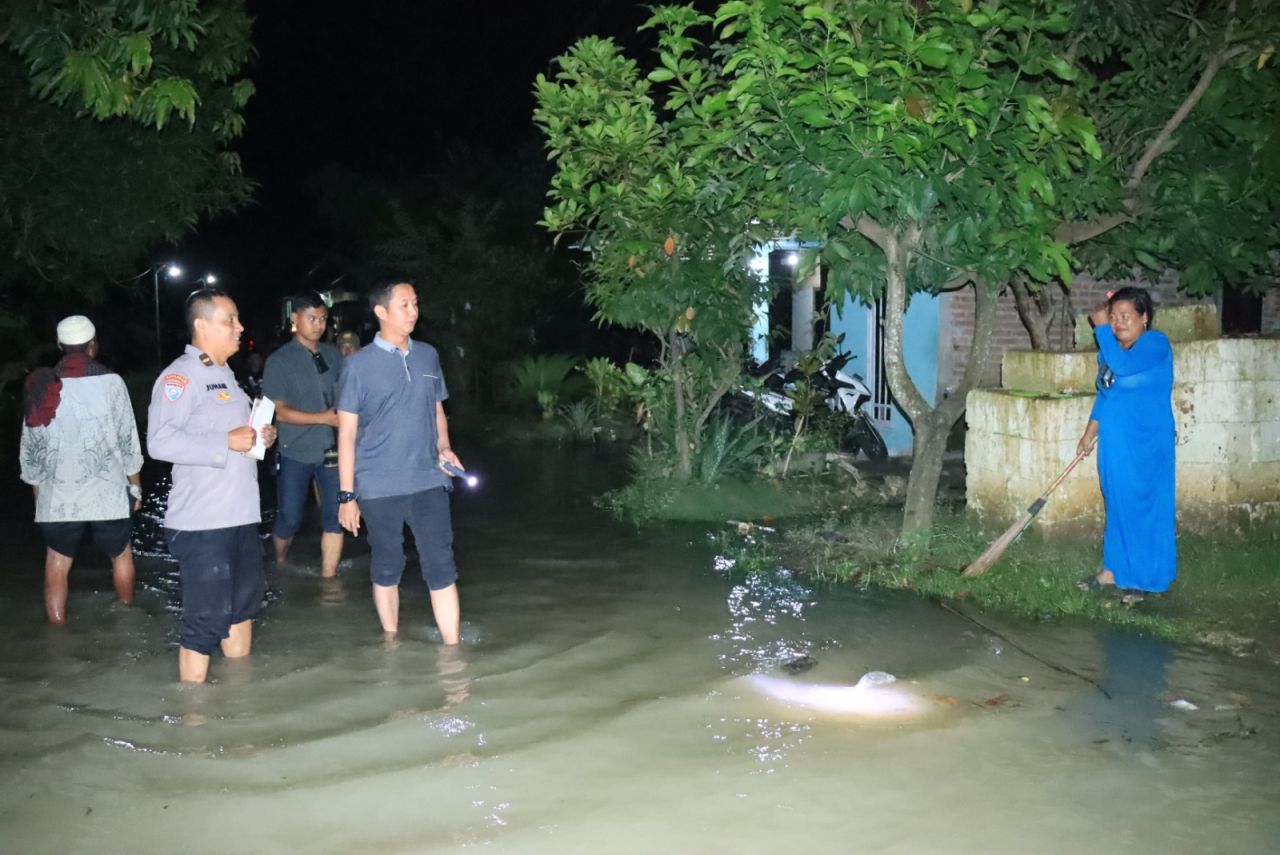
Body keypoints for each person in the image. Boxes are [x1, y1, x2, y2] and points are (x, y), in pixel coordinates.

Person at [147, 289, 277, 683]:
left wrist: (260, 436)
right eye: (230, 321)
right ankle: (195, 726)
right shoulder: (180, 377)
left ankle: (239, 708)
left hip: (240, 514)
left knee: (242, 612)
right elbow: (158, 442)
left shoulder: (227, 377)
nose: (240, 328)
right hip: (203, 523)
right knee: (204, 623)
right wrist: (225, 441)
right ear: (202, 326)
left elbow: (237, 436)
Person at [336, 280, 463, 643]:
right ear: (381, 312)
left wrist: (444, 445)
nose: (413, 312)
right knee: (389, 563)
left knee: (441, 565)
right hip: (378, 484)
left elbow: (437, 407)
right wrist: (348, 496)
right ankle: (391, 646)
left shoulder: (428, 355)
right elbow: (346, 434)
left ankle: (453, 652)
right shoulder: (358, 366)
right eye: (404, 305)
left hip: (428, 478)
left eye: (415, 304)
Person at [19, 315, 143, 624]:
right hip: (108, 491)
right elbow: (128, 439)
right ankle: (128, 617)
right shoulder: (112, 383)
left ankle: (57, 630)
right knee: (121, 554)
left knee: (57, 561)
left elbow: (31, 446)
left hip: (58, 493)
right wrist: (135, 486)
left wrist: (39, 493)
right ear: (93, 346)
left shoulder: (41, 384)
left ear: (60, 346)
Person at [1076, 287, 1176, 602]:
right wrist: (1089, 432)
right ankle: (1113, 571)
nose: (1118, 323)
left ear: (1144, 318)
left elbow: (1122, 367)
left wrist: (1101, 328)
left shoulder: (1155, 344)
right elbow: (1107, 394)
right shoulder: (1110, 350)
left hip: (1146, 441)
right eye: (1114, 316)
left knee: (1143, 505)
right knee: (1117, 502)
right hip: (1116, 442)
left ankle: (1146, 579)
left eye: (1125, 316)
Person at [262, 291, 345, 575]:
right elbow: (280, 411)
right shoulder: (279, 361)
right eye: (312, 318)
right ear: (295, 319)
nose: (319, 324)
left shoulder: (334, 356)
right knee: (289, 516)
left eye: (323, 318)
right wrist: (323, 418)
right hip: (295, 450)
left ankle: (329, 579)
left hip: (333, 451)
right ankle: (281, 562)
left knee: (335, 515)